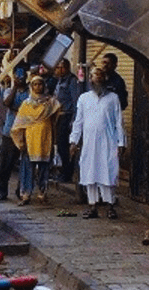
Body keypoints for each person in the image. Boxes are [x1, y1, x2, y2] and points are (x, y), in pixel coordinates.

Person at [71, 66, 126, 220]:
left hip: (108, 142)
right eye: (95, 76)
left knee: (108, 174)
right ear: (90, 79)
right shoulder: (84, 98)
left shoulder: (113, 98)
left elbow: (119, 122)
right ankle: (92, 206)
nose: (97, 78)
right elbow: (78, 121)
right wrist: (73, 141)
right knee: (90, 173)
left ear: (105, 79)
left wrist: (121, 142)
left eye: (100, 75)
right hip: (89, 143)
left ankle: (110, 206)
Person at [11, 73, 60, 205]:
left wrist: (55, 140)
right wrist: (21, 141)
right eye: (35, 84)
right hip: (30, 140)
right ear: (31, 87)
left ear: (44, 86)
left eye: (40, 84)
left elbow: (55, 119)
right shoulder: (26, 104)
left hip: (45, 138)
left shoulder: (51, 102)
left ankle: (42, 193)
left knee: (44, 168)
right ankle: (26, 194)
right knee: (28, 168)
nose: (38, 87)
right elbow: (19, 124)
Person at [0, 68, 28, 201]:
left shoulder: (30, 92)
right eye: (17, 77)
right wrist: (15, 88)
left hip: (25, 131)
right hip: (10, 130)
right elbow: (7, 103)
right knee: (5, 163)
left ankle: (22, 190)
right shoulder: (8, 90)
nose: (20, 79)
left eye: (22, 76)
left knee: (24, 163)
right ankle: (1, 190)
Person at [51, 58, 81, 182]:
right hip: (59, 116)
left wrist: (73, 120)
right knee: (60, 146)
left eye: (60, 67)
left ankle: (67, 173)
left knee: (65, 146)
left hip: (67, 116)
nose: (57, 70)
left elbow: (76, 102)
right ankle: (63, 170)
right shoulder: (59, 81)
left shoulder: (72, 81)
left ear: (66, 68)